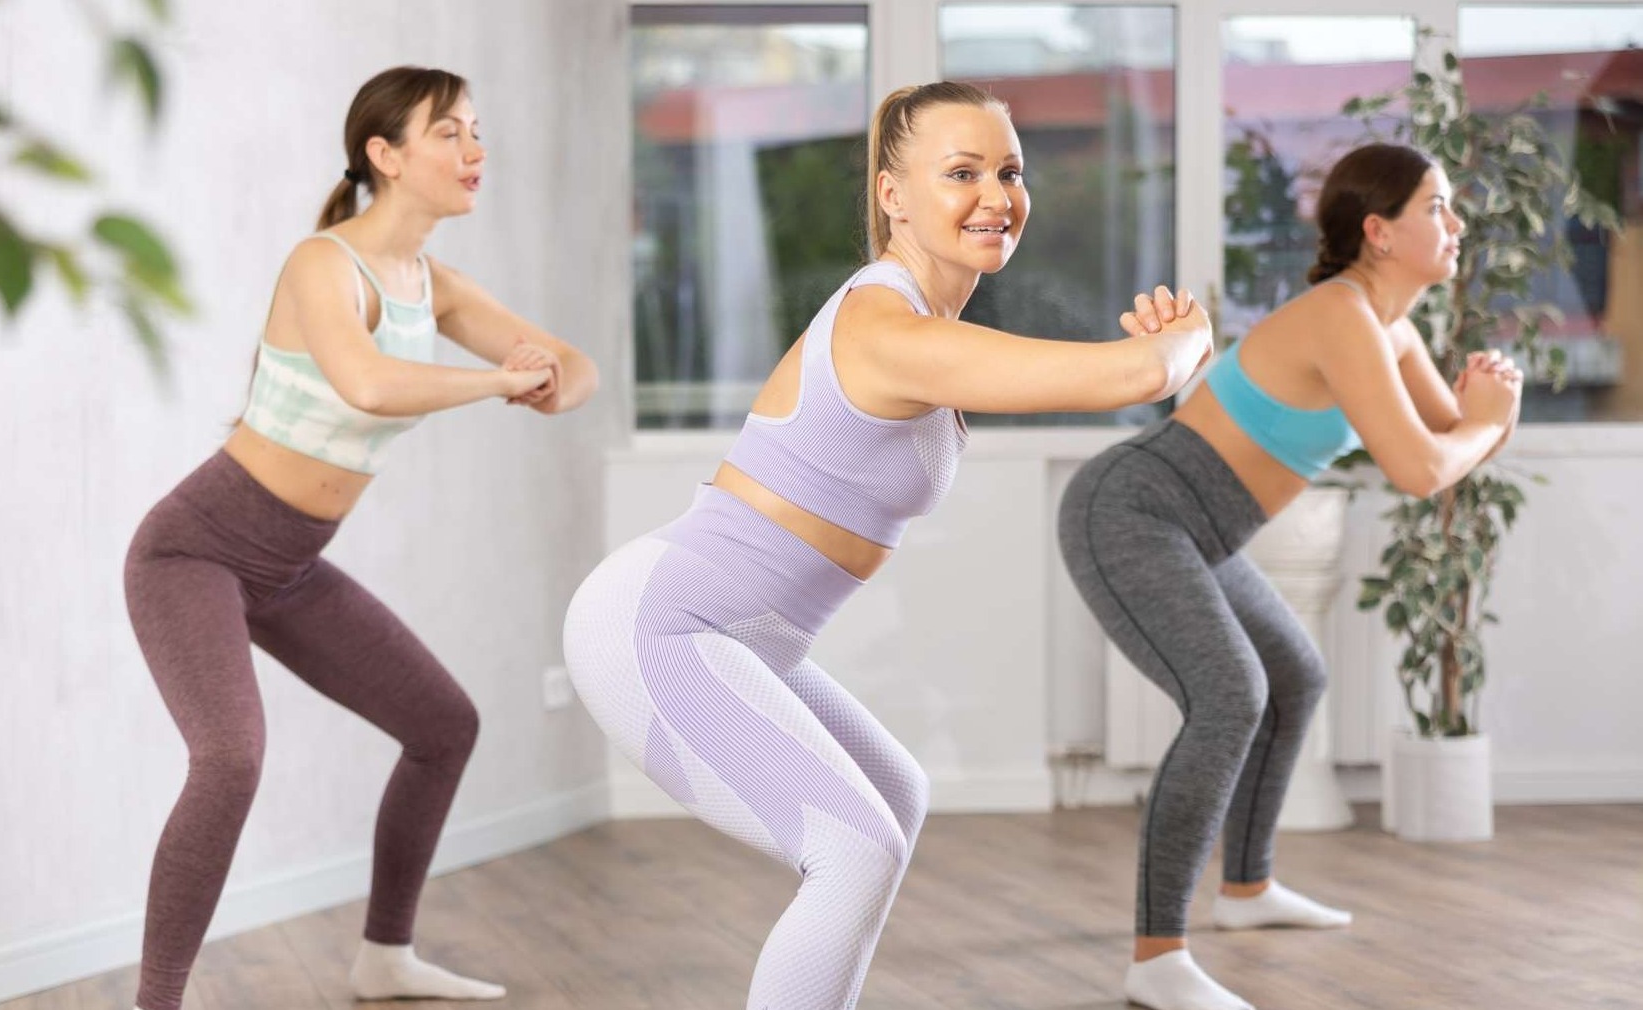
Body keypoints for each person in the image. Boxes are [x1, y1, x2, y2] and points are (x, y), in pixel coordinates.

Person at [562, 80, 1212, 1010]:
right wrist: (1188, 336)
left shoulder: (929, 324)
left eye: (1009, 172)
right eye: (962, 172)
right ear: (892, 194)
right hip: (663, 624)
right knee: (853, 849)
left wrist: (1167, 355)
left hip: (749, 635)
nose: (996, 196)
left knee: (894, 799)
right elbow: (1138, 374)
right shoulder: (884, 326)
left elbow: (1135, 373)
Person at [122, 65, 596, 1010]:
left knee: (442, 727)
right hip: (195, 553)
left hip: (289, 566)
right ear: (385, 155)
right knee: (230, 759)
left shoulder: (432, 285)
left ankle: (385, 956)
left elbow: (575, 366)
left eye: (476, 130)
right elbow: (368, 383)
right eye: (449, 133)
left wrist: (547, 383)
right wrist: (500, 381)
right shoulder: (322, 264)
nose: (475, 150)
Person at [1058, 142, 1522, 1010]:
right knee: (1229, 695)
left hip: (1200, 533)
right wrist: (1488, 424)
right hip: (1132, 510)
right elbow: (1425, 468)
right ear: (1379, 232)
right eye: (1437, 207)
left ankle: (1247, 888)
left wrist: (1493, 414)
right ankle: (1157, 958)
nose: (1457, 224)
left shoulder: (1392, 331)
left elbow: (1452, 440)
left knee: (1294, 676)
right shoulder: (1341, 315)